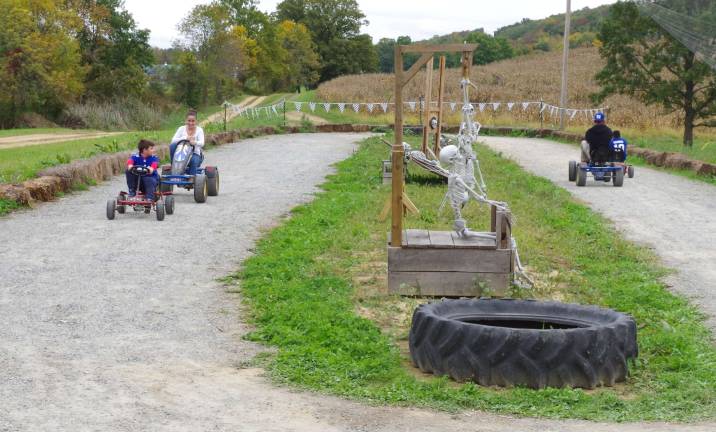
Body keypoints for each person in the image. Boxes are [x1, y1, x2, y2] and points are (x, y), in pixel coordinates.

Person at [170, 109, 205, 175]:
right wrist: (185, 138)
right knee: (172, 146)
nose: (190, 123)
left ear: (196, 121)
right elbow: (173, 140)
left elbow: (202, 143)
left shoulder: (199, 130)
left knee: (193, 161)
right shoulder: (181, 129)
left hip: (195, 154)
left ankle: (191, 180)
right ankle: (174, 168)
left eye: (193, 121)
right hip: (181, 154)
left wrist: (194, 142)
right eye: (189, 121)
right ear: (186, 120)